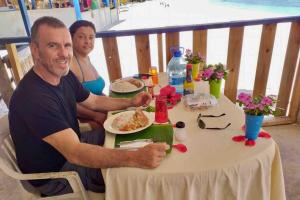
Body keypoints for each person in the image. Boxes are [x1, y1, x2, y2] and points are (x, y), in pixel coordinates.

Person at [8, 16, 168, 196]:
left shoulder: (64, 75)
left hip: (72, 146)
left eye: (67, 45)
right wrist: (136, 158)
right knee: (134, 175)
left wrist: (130, 102)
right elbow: (75, 152)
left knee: (124, 136)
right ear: (35, 50)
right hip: (57, 175)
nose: (64, 53)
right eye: (53, 45)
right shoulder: (33, 98)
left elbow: (95, 101)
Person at [69, 20, 106, 129]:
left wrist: (111, 102)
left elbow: (97, 92)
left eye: (91, 37)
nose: (87, 41)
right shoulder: (70, 63)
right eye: (81, 37)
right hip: (86, 123)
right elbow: (70, 103)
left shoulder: (86, 57)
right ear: (71, 37)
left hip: (100, 113)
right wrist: (96, 116)